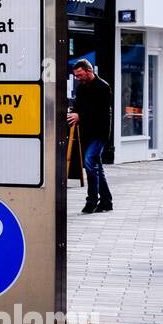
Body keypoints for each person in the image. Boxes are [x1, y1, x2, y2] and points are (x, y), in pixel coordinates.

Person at [67, 59, 112, 213]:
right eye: (76, 76)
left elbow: (101, 113)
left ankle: (91, 201)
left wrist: (80, 117)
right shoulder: (81, 88)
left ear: (89, 71)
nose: (78, 78)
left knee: (89, 163)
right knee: (96, 166)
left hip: (99, 133)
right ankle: (106, 201)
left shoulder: (103, 87)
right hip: (86, 132)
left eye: (80, 75)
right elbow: (78, 107)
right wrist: (73, 113)